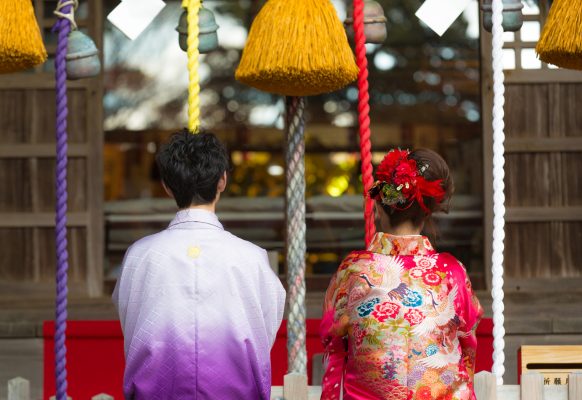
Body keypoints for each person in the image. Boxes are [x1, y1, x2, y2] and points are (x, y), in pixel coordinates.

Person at [113, 129, 286, 400]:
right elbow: (265, 330)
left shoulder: (140, 255)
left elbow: (131, 322)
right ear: (222, 181)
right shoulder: (252, 257)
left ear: (167, 186)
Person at [320, 148, 483, 400]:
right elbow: (468, 342)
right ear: (427, 212)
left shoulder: (353, 270)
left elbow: (331, 338)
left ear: (379, 209)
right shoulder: (452, 272)